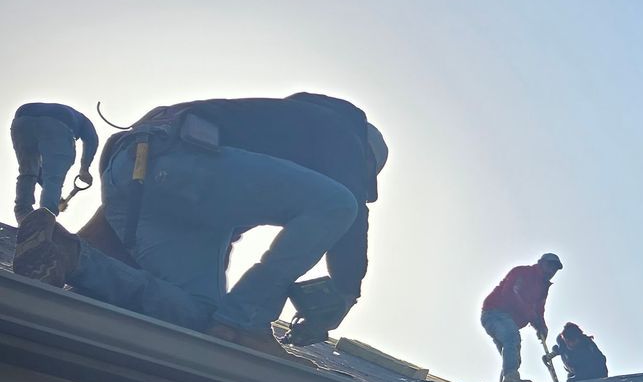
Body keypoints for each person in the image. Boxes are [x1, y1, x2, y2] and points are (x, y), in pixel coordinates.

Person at [12, 94, 386, 357]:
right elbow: (350, 209)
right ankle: (247, 322)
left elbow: (219, 235)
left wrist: (87, 254)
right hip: (177, 161)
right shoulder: (341, 129)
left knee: (202, 316)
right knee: (339, 204)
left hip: (133, 172)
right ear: (365, 160)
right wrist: (346, 290)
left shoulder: (261, 136)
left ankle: (70, 256)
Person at [482, 253, 562, 382]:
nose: (551, 271)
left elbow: (539, 310)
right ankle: (510, 380)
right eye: (549, 265)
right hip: (494, 313)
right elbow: (509, 293)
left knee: (513, 356)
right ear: (540, 263)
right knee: (512, 338)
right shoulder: (522, 272)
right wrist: (530, 315)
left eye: (555, 269)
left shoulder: (543, 289)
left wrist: (541, 325)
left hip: (508, 321)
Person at [11, 102, 98, 222]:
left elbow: (38, 173)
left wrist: (58, 199)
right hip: (60, 122)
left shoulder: (73, 116)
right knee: (54, 176)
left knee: (28, 171)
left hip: (22, 120)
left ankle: (23, 214)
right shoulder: (85, 122)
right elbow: (92, 140)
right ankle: (45, 218)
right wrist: (85, 169)